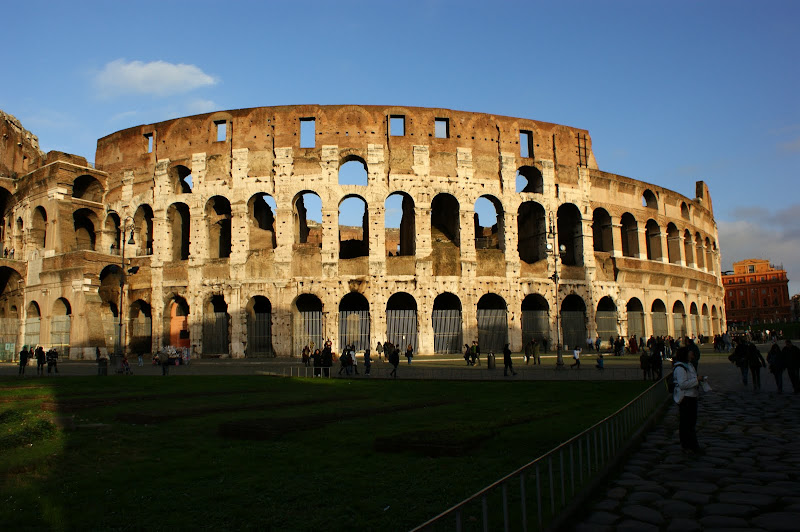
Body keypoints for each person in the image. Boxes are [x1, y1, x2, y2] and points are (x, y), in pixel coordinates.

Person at [672, 346, 703, 455]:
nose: (693, 354)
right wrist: (696, 380)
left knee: (690, 423)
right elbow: (683, 384)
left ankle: (690, 445)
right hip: (685, 398)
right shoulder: (681, 368)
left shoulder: (689, 366)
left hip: (692, 396)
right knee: (687, 424)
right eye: (691, 353)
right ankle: (690, 446)